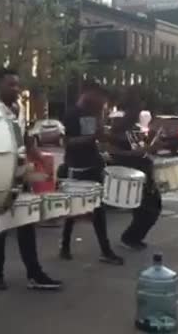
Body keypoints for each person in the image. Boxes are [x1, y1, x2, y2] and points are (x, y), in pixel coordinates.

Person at [0, 68, 62, 291]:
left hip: (20, 173)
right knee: (0, 226)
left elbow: (26, 137)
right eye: (11, 85)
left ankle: (34, 273)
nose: (16, 89)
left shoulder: (18, 108)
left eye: (17, 85)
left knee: (27, 222)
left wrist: (38, 158)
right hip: (0, 174)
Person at [59, 80, 124, 265]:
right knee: (73, 208)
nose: (102, 101)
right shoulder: (72, 114)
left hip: (93, 164)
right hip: (77, 166)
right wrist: (92, 137)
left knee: (98, 209)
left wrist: (108, 134)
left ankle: (105, 250)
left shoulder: (92, 113)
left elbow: (99, 137)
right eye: (99, 97)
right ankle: (65, 246)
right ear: (87, 93)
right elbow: (68, 142)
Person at [106, 86, 163, 250]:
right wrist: (146, 150)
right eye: (137, 107)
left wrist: (151, 145)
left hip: (142, 174)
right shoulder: (119, 126)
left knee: (151, 208)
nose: (140, 111)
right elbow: (113, 152)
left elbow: (137, 149)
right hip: (132, 175)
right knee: (149, 209)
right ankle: (130, 238)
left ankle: (133, 237)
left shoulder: (131, 127)